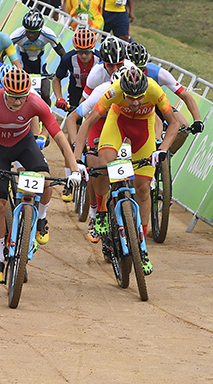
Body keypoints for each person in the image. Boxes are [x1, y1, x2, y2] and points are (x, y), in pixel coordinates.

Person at [0, 68, 82, 283]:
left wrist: (74, 169)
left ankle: (41, 219)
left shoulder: (35, 102)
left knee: (46, 181)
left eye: (21, 97)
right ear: (4, 91)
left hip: (24, 146)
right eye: (12, 97)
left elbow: (59, 136)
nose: (16, 102)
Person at [76, 66, 182, 276]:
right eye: (130, 98)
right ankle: (102, 214)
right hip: (117, 125)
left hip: (144, 130)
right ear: (123, 91)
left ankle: (141, 247)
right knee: (105, 165)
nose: (134, 102)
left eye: (139, 98)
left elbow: (174, 123)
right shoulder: (113, 91)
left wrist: (161, 150)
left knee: (143, 190)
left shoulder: (154, 90)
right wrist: (77, 159)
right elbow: (87, 122)